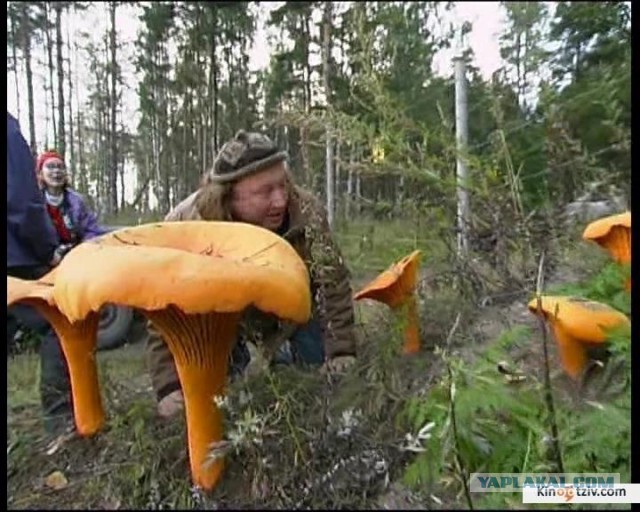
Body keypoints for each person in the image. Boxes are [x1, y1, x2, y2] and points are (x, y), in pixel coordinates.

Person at [148, 130, 358, 418]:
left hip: (293, 311)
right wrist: (168, 386)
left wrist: (341, 351)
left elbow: (332, 282)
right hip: (219, 319)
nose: (281, 200)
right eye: (265, 192)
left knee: (322, 389)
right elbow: (162, 309)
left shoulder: (306, 211)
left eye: (283, 185)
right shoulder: (187, 224)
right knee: (219, 404)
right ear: (228, 197)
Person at [6, 113, 74, 436]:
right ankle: (60, 422)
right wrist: (48, 250)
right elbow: (21, 201)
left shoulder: (75, 202)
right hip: (14, 260)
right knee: (57, 320)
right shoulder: (8, 130)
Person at [36, 150, 108, 247]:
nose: (56, 171)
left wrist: (84, 247)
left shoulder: (77, 202)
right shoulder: (35, 202)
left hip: (74, 254)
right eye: (51, 166)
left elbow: (92, 230)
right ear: (40, 174)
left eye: (60, 167)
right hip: (45, 255)